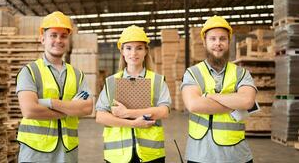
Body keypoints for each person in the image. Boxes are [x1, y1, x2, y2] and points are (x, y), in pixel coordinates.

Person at [16, 11, 93, 163]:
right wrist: (70, 109)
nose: (59, 40)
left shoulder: (78, 75)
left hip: (67, 152)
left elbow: (87, 108)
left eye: (63, 36)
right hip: (35, 153)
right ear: (42, 39)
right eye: (53, 35)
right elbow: (29, 110)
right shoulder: (30, 71)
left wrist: (49, 102)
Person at [181, 15, 257, 163]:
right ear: (204, 42)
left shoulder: (241, 73)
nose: (218, 43)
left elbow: (247, 102)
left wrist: (210, 96)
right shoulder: (193, 73)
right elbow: (194, 105)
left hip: (236, 155)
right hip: (200, 155)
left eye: (222, 39)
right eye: (213, 39)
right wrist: (233, 101)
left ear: (229, 42)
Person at [96, 25, 171, 163]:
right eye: (128, 48)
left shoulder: (157, 81)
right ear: (122, 51)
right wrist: (134, 124)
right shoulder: (111, 82)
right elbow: (100, 116)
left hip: (151, 154)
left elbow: (164, 112)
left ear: (145, 51)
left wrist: (127, 113)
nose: (133, 53)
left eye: (139, 48)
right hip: (118, 156)